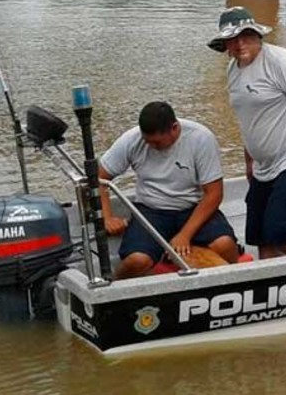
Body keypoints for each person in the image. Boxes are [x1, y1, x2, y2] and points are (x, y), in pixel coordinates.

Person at [207, 6, 286, 259]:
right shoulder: (233, 70)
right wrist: (249, 160)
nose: (240, 44)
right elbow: (249, 118)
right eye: (233, 38)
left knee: (282, 232)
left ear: (258, 35)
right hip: (262, 168)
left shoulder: (280, 61)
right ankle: (269, 286)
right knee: (260, 235)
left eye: (247, 36)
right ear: (225, 43)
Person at [98, 101, 239, 279]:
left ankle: (232, 283)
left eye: (156, 143)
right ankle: (114, 289)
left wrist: (184, 235)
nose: (151, 147)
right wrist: (107, 216)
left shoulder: (201, 138)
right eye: (147, 141)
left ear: (174, 128)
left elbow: (214, 194)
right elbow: (99, 179)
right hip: (151, 211)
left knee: (224, 245)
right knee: (137, 261)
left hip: (192, 208)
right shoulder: (131, 140)